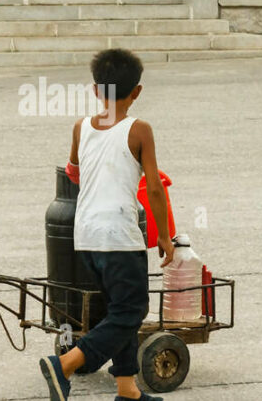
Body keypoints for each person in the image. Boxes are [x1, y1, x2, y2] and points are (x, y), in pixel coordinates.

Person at [40, 49, 176, 401]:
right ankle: (65, 364)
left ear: (96, 90)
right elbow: (155, 188)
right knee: (132, 310)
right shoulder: (139, 130)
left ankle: (127, 388)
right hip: (120, 236)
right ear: (137, 91)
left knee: (118, 309)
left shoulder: (81, 127)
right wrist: (164, 235)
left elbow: (73, 171)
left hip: (86, 235)